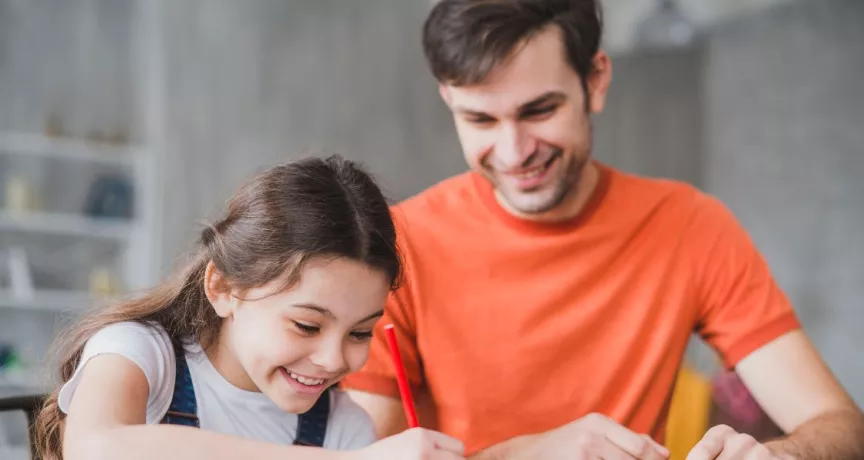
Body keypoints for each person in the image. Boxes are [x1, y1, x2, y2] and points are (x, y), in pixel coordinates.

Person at [341, 1, 864, 459]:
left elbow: (842, 428)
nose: (513, 151)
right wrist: (526, 455)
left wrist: (785, 453)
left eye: (539, 110)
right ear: (448, 101)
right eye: (480, 120)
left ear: (596, 80)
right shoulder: (399, 245)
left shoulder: (690, 227)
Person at [34, 155, 466, 460]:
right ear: (223, 288)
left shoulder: (343, 426)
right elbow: (98, 448)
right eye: (306, 325)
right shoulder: (139, 352)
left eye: (359, 333)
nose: (335, 359)